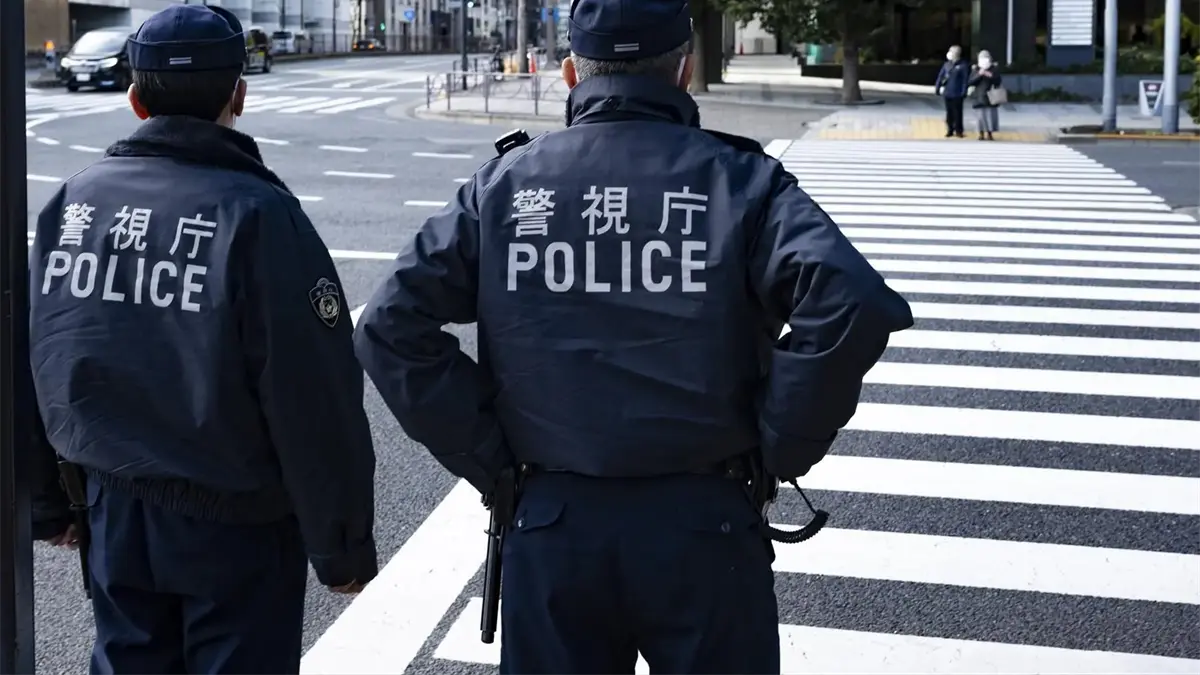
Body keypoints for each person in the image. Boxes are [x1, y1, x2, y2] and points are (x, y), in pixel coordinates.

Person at [352, 0, 913, 672]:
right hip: (706, 521)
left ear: (570, 73)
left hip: (552, 521)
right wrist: (782, 443)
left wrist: (488, 456)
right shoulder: (740, 180)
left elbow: (389, 324)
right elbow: (850, 302)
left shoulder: (506, 187)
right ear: (684, 70)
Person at [27, 5, 378, 674]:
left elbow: (36, 352)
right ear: (238, 96)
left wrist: (46, 502)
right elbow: (312, 395)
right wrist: (342, 545)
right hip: (236, 523)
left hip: (111, 505)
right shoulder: (260, 215)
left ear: (135, 99)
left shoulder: (76, 203)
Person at [935, 44, 970, 137]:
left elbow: (965, 80)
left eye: (951, 51)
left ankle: (959, 130)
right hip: (948, 92)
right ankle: (950, 129)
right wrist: (937, 87)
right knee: (949, 112)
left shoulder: (963, 65)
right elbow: (940, 76)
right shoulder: (947, 64)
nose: (949, 53)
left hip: (958, 92)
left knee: (958, 112)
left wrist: (964, 91)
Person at [969, 50, 1004, 141]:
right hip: (979, 96)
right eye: (982, 58)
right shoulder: (976, 69)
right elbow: (970, 82)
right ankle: (981, 133)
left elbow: (998, 81)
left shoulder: (994, 69)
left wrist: (990, 75)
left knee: (990, 116)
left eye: (986, 58)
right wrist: (979, 75)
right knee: (980, 116)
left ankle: (989, 133)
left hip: (991, 95)